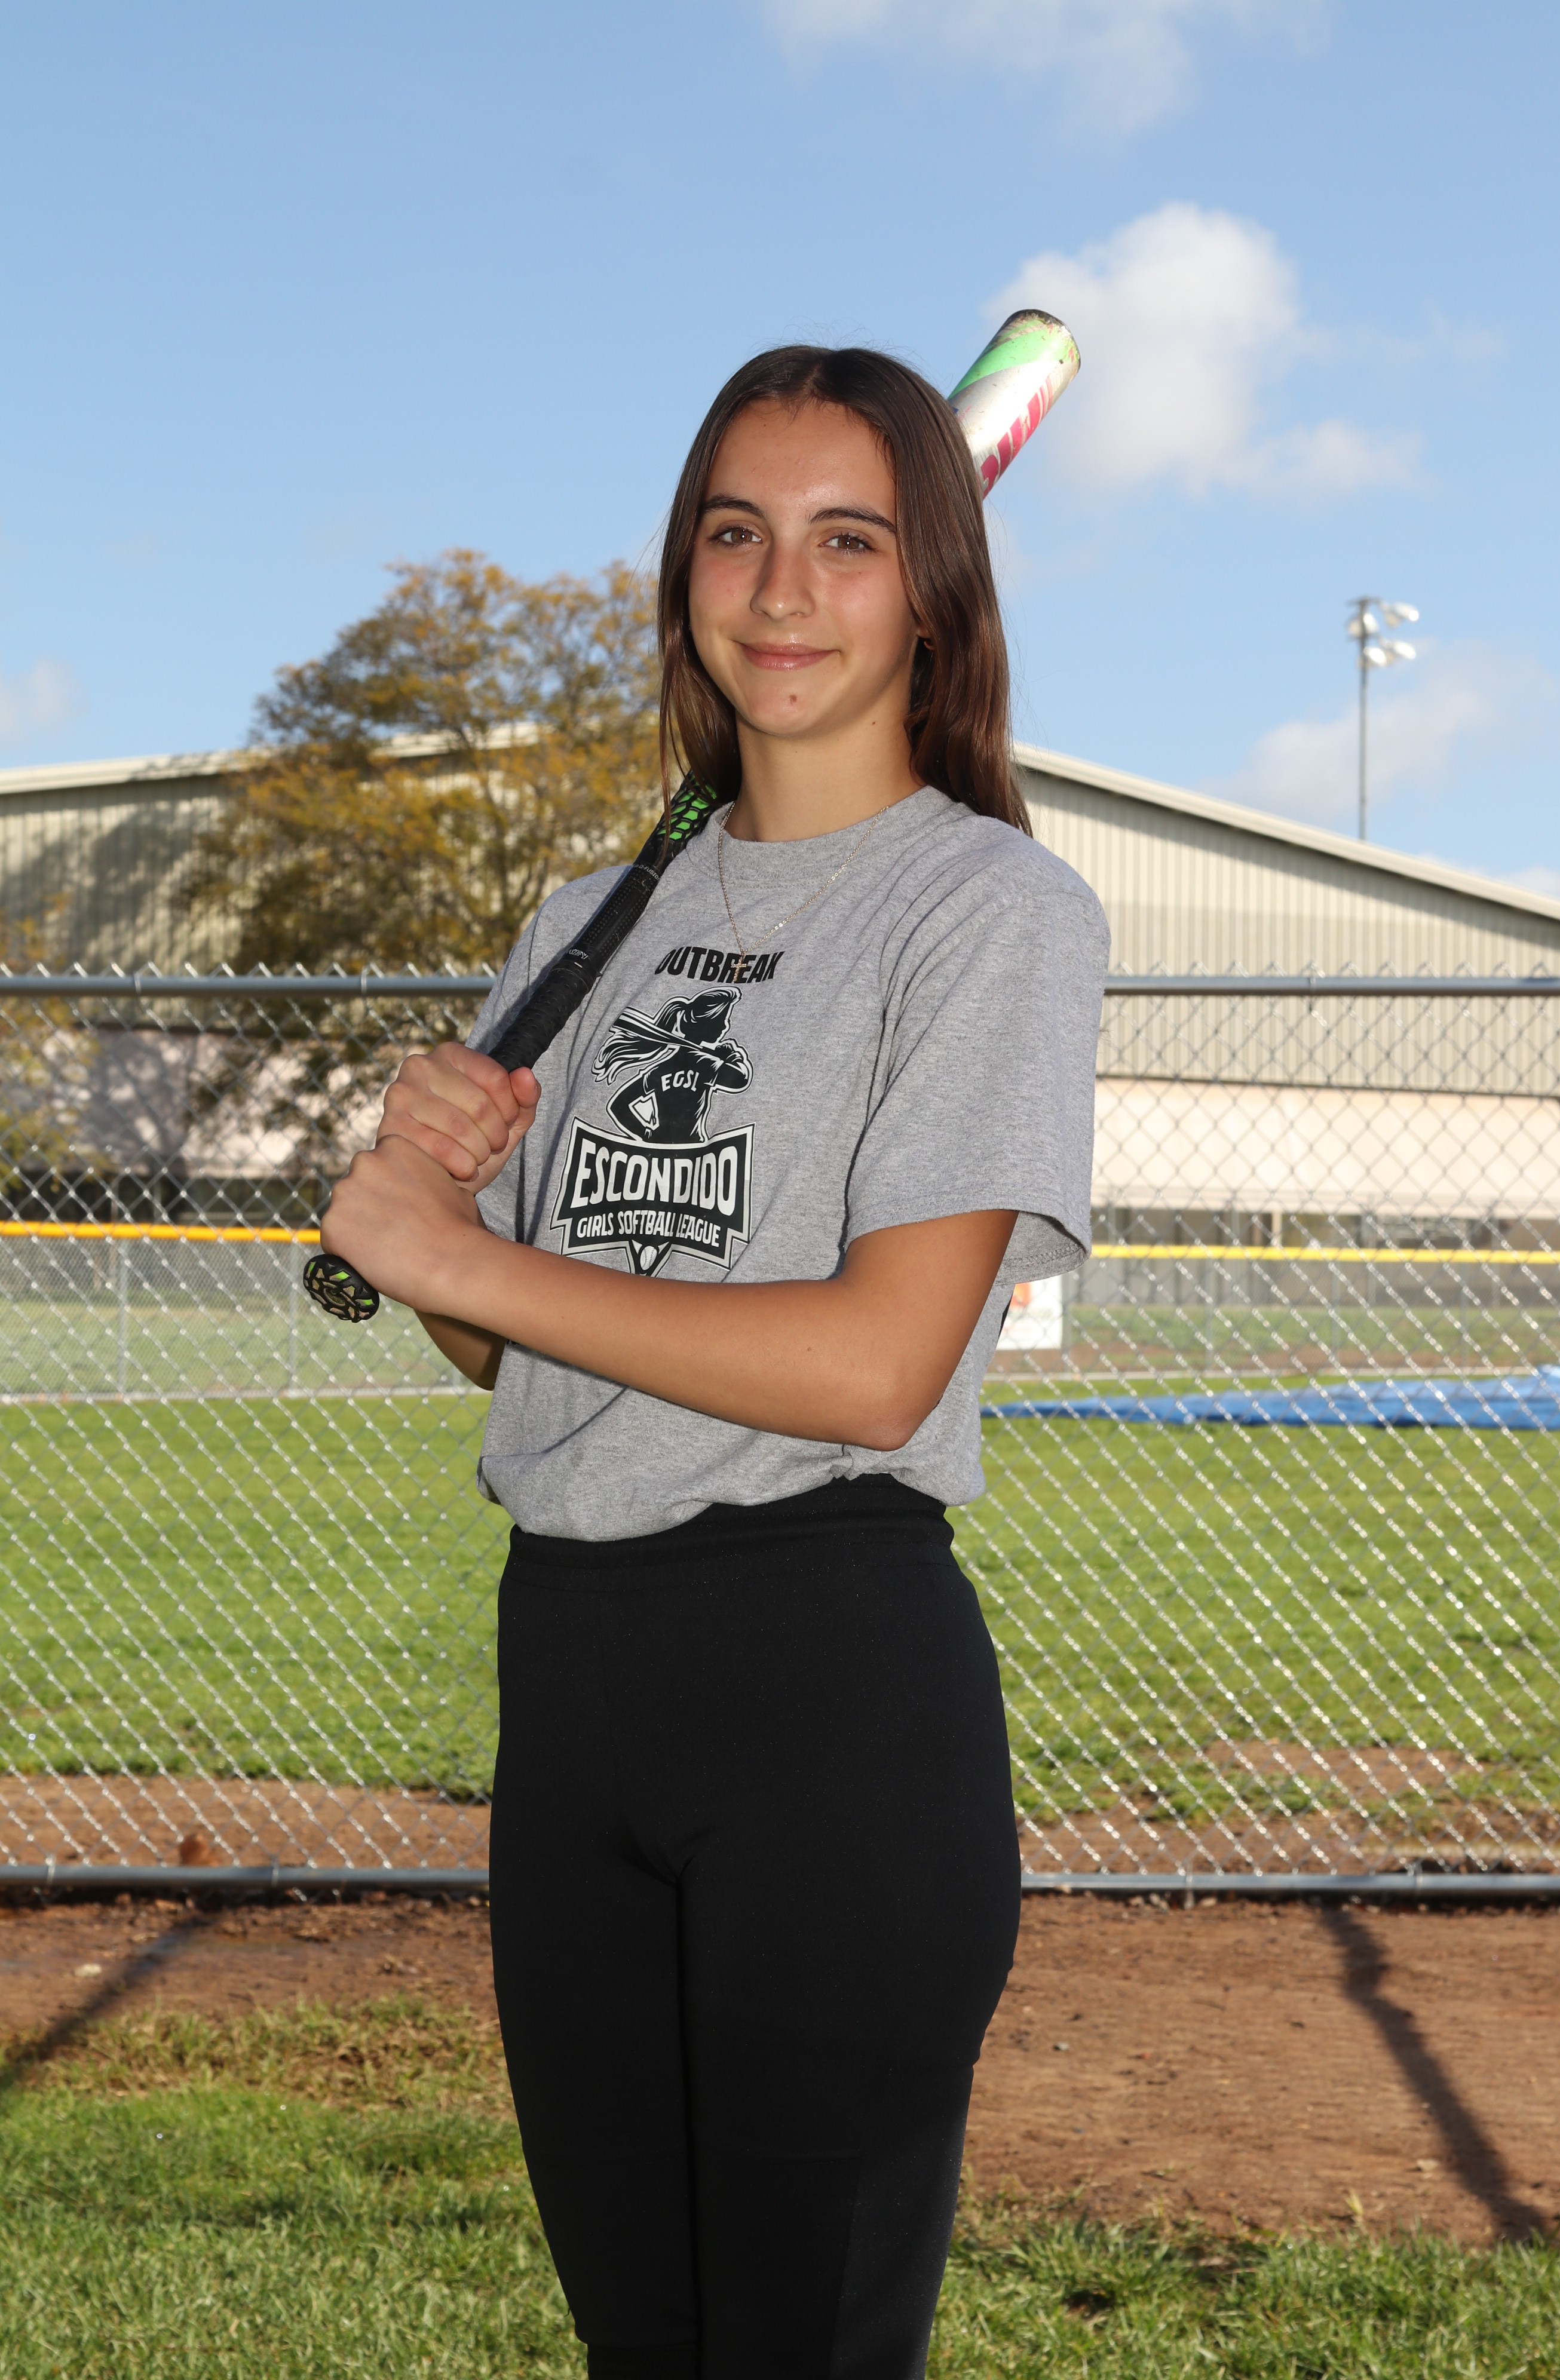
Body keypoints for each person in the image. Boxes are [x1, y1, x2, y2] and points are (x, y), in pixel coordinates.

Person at [320, 342, 1108, 2379]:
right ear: (685, 573)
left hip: (822, 1688)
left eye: (849, 542)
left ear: (931, 593)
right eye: (737, 535)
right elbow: (512, 1358)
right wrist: (447, 1220)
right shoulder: (593, 917)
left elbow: (877, 1366)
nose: (782, 590)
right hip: (572, 1675)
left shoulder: (989, 909)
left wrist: (458, 1255)